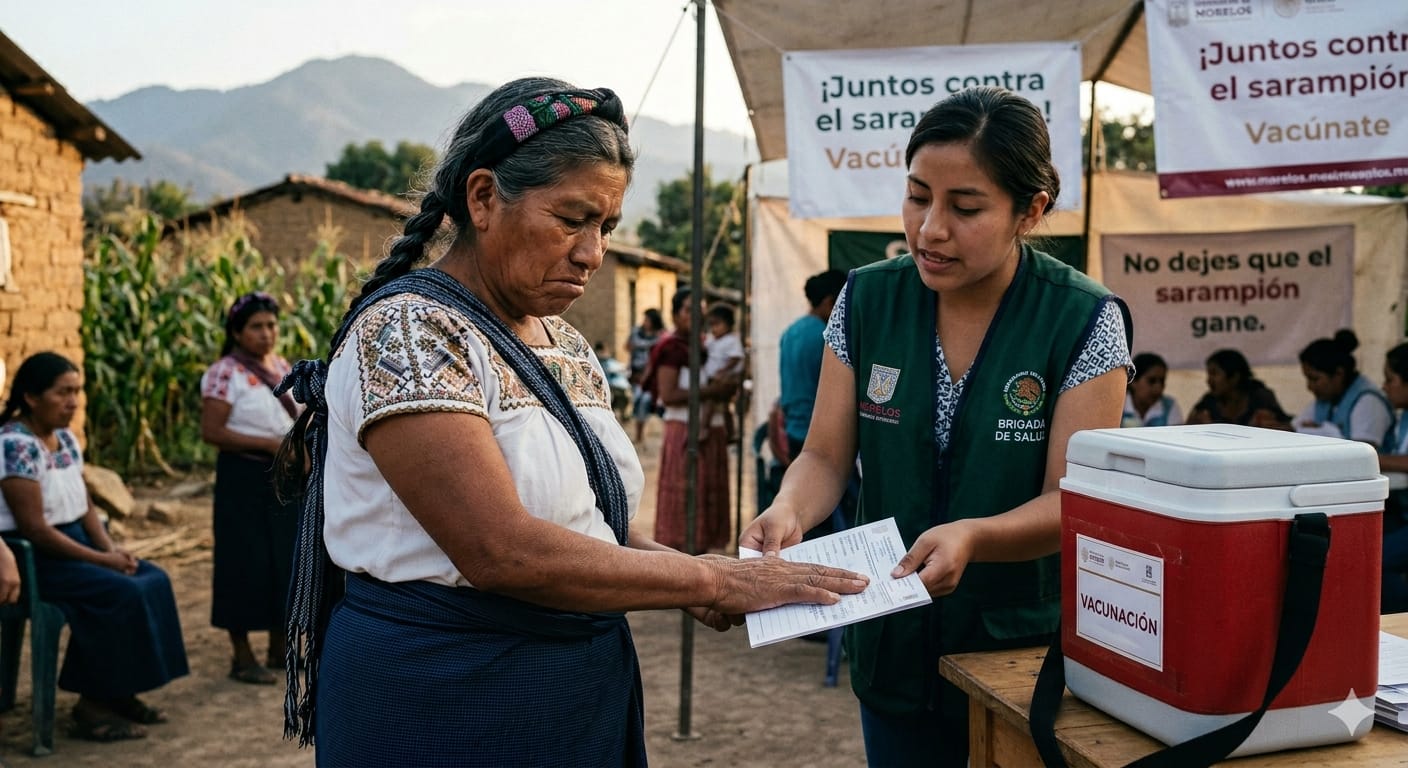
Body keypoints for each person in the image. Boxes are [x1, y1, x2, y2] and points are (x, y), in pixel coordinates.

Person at [273, 78, 867, 766]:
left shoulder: (564, 344)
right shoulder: (410, 332)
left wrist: (683, 570)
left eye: (606, 227)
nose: (592, 253)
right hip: (447, 690)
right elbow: (501, 549)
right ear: (483, 198)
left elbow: (587, 523)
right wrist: (712, 581)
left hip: (572, 688)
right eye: (571, 219)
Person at [740, 86, 1132, 767]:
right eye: (918, 196)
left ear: (1030, 210)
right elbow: (826, 457)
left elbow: (1073, 501)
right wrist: (787, 510)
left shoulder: (1082, 320)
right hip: (892, 649)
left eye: (965, 207)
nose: (930, 229)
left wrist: (975, 537)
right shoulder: (868, 298)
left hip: (1020, 655)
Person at [0, 352, 188, 742]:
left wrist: (112, 551)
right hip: (37, 559)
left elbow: (84, 504)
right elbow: (35, 529)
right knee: (119, 594)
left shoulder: (65, 438)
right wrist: (102, 561)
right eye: (62, 392)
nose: (73, 402)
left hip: (77, 544)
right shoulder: (15, 444)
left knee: (152, 579)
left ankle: (119, 692)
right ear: (31, 397)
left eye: (77, 391)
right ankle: (92, 706)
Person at [199, 291, 300, 685]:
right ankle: (242, 656)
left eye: (271, 325)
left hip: (282, 477)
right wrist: (269, 445)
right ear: (237, 332)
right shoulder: (225, 373)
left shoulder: (281, 367)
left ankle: (279, 648)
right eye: (256, 327)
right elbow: (213, 431)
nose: (266, 333)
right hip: (242, 478)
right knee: (242, 562)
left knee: (283, 558)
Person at [649, 287, 740, 554]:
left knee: (710, 492)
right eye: (689, 310)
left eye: (701, 311)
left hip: (712, 429)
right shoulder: (672, 348)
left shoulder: (708, 344)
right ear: (675, 315)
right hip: (684, 429)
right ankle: (680, 556)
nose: (696, 317)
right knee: (685, 494)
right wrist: (713, 391)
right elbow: (669, 394)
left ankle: (708, 553)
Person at [777, 268, 853, 540]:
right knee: (830, 523)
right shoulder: (829, 338)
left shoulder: (790, 332)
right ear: (831, 302)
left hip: (794, 430)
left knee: (802, 519)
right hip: (822, 437)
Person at [1291, 329, 1393, 448]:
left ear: (1338, 374)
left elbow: (1363, 452)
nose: (1309, 386)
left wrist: (1323, 432)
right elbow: (1294, 428)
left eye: (1314, 379)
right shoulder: (1326, 399)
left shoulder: (1369, 402)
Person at [1186, 349, 1290, 427]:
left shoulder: (1260, 397)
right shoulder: (1209, 401)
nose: (1208, 380)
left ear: (1234, 377)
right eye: (1209, 374)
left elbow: (1288, 428)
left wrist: (1269, 425)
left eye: (1214, 373)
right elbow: (1186, 428)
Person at [1379, 342, 1408, 612]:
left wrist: (1368, 457)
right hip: (1401, 511)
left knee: (1379, 560)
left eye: (1390, 380)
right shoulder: (1402, 419)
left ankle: (1400, 618)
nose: (1384, 387)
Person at [700, 303, 743, 443]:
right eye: (711, 325)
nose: (714, 328)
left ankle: (703, 428)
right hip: (712, 378)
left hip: (723, 380)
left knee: (710, 400)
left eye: (717, 324)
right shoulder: (711, 340)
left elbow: (735, 358)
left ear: (728, 324)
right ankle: (730, 433)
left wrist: (724, 371)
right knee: (725, 408)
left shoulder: (731, 340)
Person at [626, 308, 664, 442]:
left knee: (645, 401)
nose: (645, 322)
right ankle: (639, 434)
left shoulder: (660, 336)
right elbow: (628, 346)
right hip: (636, 373)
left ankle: (643, 434)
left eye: (647, 319)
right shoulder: (637, 333)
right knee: (637, 400)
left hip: (651, 376)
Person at [1121, 352, 1183, 427]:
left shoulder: (1169, 406)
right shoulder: (1120, 405)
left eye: (1162, 381)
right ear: (1133, 381)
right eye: (1152, 381)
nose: (1158, 388)